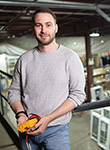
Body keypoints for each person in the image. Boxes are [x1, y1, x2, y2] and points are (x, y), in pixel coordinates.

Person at [7, 8, 86, 150]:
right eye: (39, 25)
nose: (44, 30)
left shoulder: (70, 58)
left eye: (48, 25)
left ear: (56, 28)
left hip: (57, 130)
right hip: (28, 129)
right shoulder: (24, 60)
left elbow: (78, 95)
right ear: (34, 28)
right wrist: (20, 114)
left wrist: (48, 119)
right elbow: (13, 92)